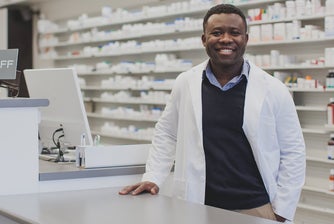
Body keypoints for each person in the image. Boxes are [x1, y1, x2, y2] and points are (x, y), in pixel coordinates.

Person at [119, 4, 305, 223]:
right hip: (198, 205)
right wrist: (153, 177)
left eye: (234, 32)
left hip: (255, 207)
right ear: (204, 39)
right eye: (217, 33)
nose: (226, 39)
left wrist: (282, 209)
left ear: (245, 38)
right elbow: (167, 133)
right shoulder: (186, 82)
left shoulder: (274, 88)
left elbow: (293, 151)